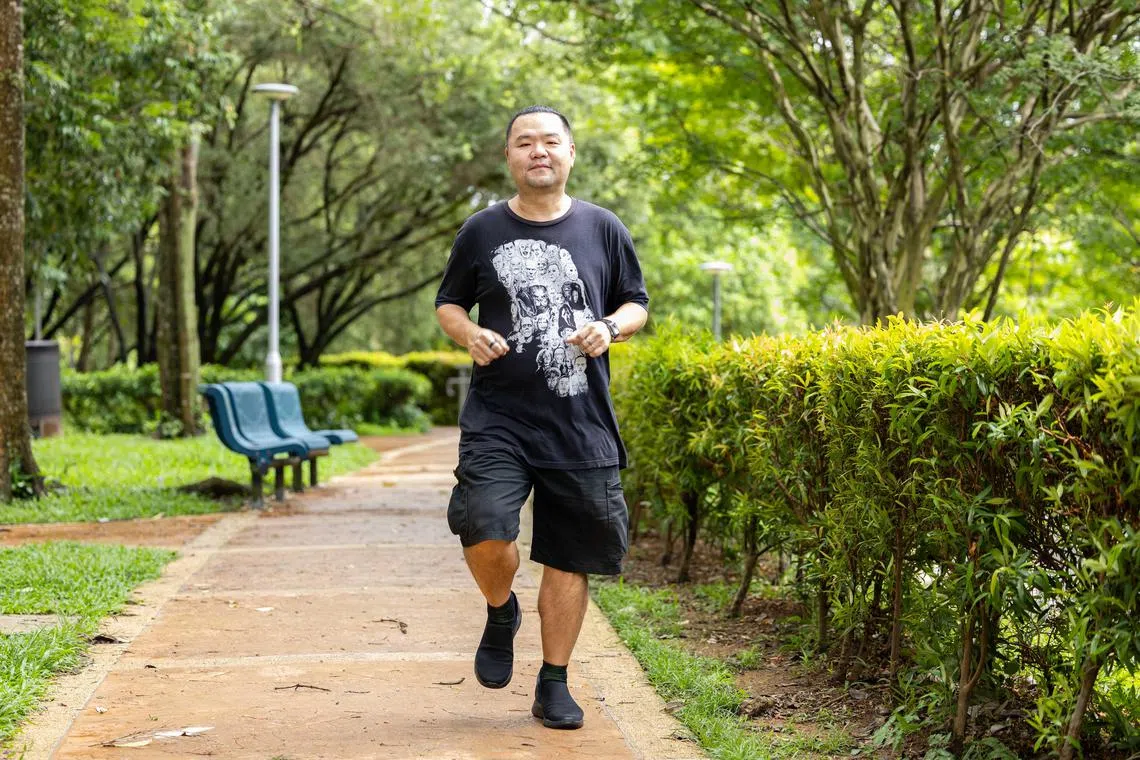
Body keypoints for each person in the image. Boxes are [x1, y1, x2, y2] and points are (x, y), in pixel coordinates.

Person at [434, 105, 649, 730]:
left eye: (550, 142)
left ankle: (554, 680)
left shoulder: (603, 227)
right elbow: (449, 302)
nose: (538, 152)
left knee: (569, 556)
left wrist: (609, 328)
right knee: (482, 524)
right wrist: (469, 332)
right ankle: (502, 611)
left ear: (570, 153)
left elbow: (635, 302)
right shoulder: (481, 230)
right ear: (509, 157)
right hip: (498, 416)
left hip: (580, 421)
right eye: (524, 143)